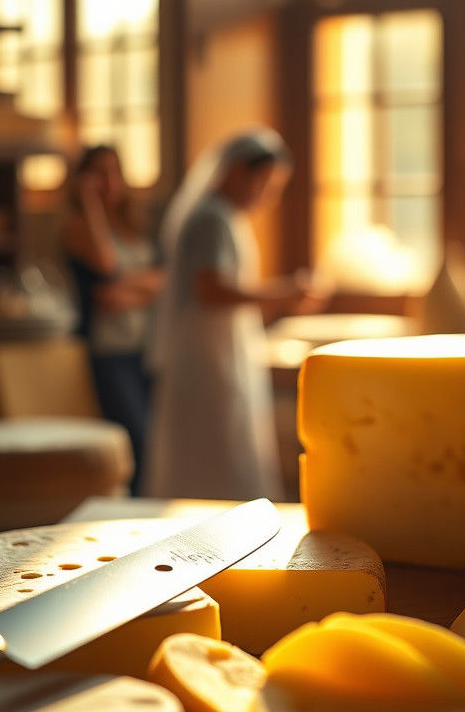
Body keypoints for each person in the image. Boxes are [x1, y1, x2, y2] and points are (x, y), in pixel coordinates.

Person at [145, 128, 322, 501]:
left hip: (217, 348)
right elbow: (211, 290)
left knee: (223, 442)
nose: (269, 196)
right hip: (208, 356)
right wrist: (283, 293)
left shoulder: (223, 217)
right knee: (217, 443)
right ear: (238, 172)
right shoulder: (212, 219)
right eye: (266, 183)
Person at [61, 145, 163, 494]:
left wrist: (128, 289)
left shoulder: (135, 225)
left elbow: (164, 280)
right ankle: (132, 508)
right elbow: (106, 265)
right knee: (135, 435)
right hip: (109, 350)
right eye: (98, 174)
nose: (107, 182)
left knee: (156, 438)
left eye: (113, 172)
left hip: (147, 345)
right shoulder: (78, 227)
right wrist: (89, 203)